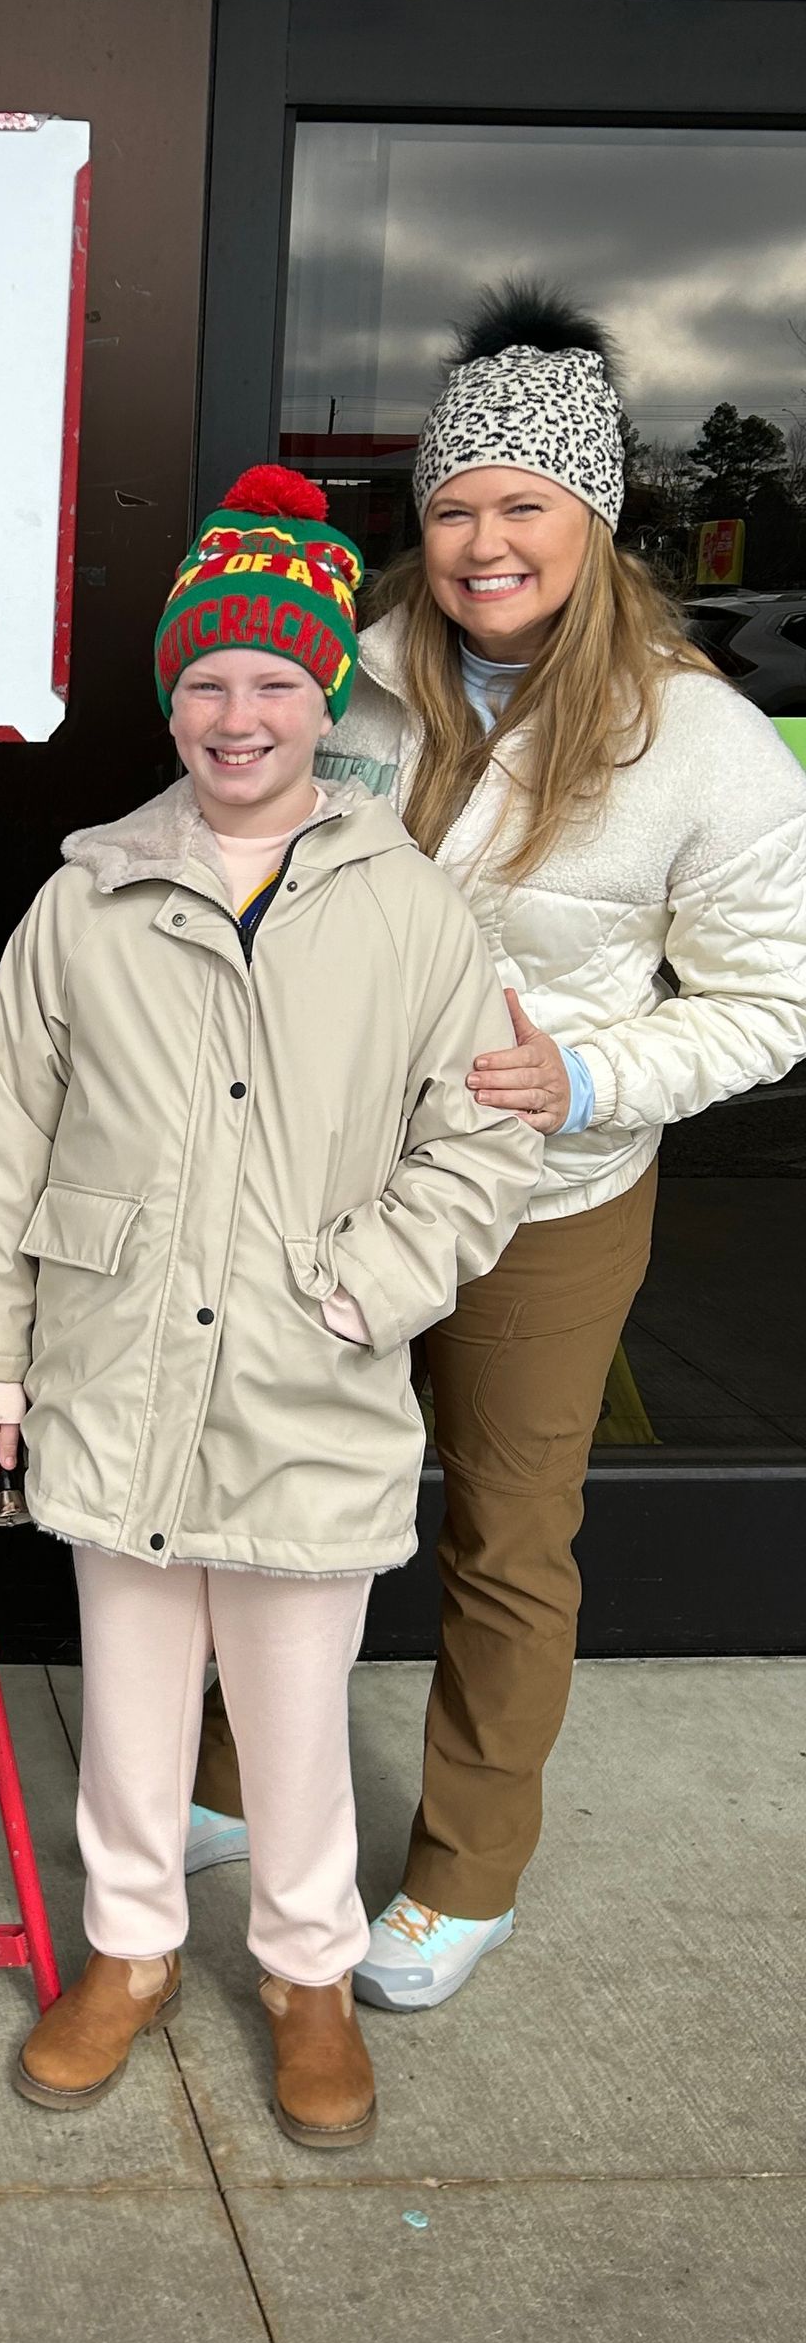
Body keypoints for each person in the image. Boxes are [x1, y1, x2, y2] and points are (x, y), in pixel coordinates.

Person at [194, 288, 806, 2013]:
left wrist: (592, 1071)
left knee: (507, 1535)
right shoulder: (362, 674)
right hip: (335, 1176)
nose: (483, 540)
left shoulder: (706, 743)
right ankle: (238, 1775)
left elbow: (770, 1005)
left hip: (550, 1199)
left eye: (525, 504)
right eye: (456, 504)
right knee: (288, 1482)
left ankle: (467, 1869)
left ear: (595, 523)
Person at [0, 467, 541, 2147]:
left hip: (307, 1368)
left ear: (323, 694)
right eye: (205, 679)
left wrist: (366, 1287)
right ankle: (126, 1952)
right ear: (171, 697)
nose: (237, 712)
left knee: (292, 1703)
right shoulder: (85, 901)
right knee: (130, 1699)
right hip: (114, 1362)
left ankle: (306, 1973)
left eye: (274, 679)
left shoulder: (415, 908)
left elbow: (478, 1134)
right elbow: (5, 1147)